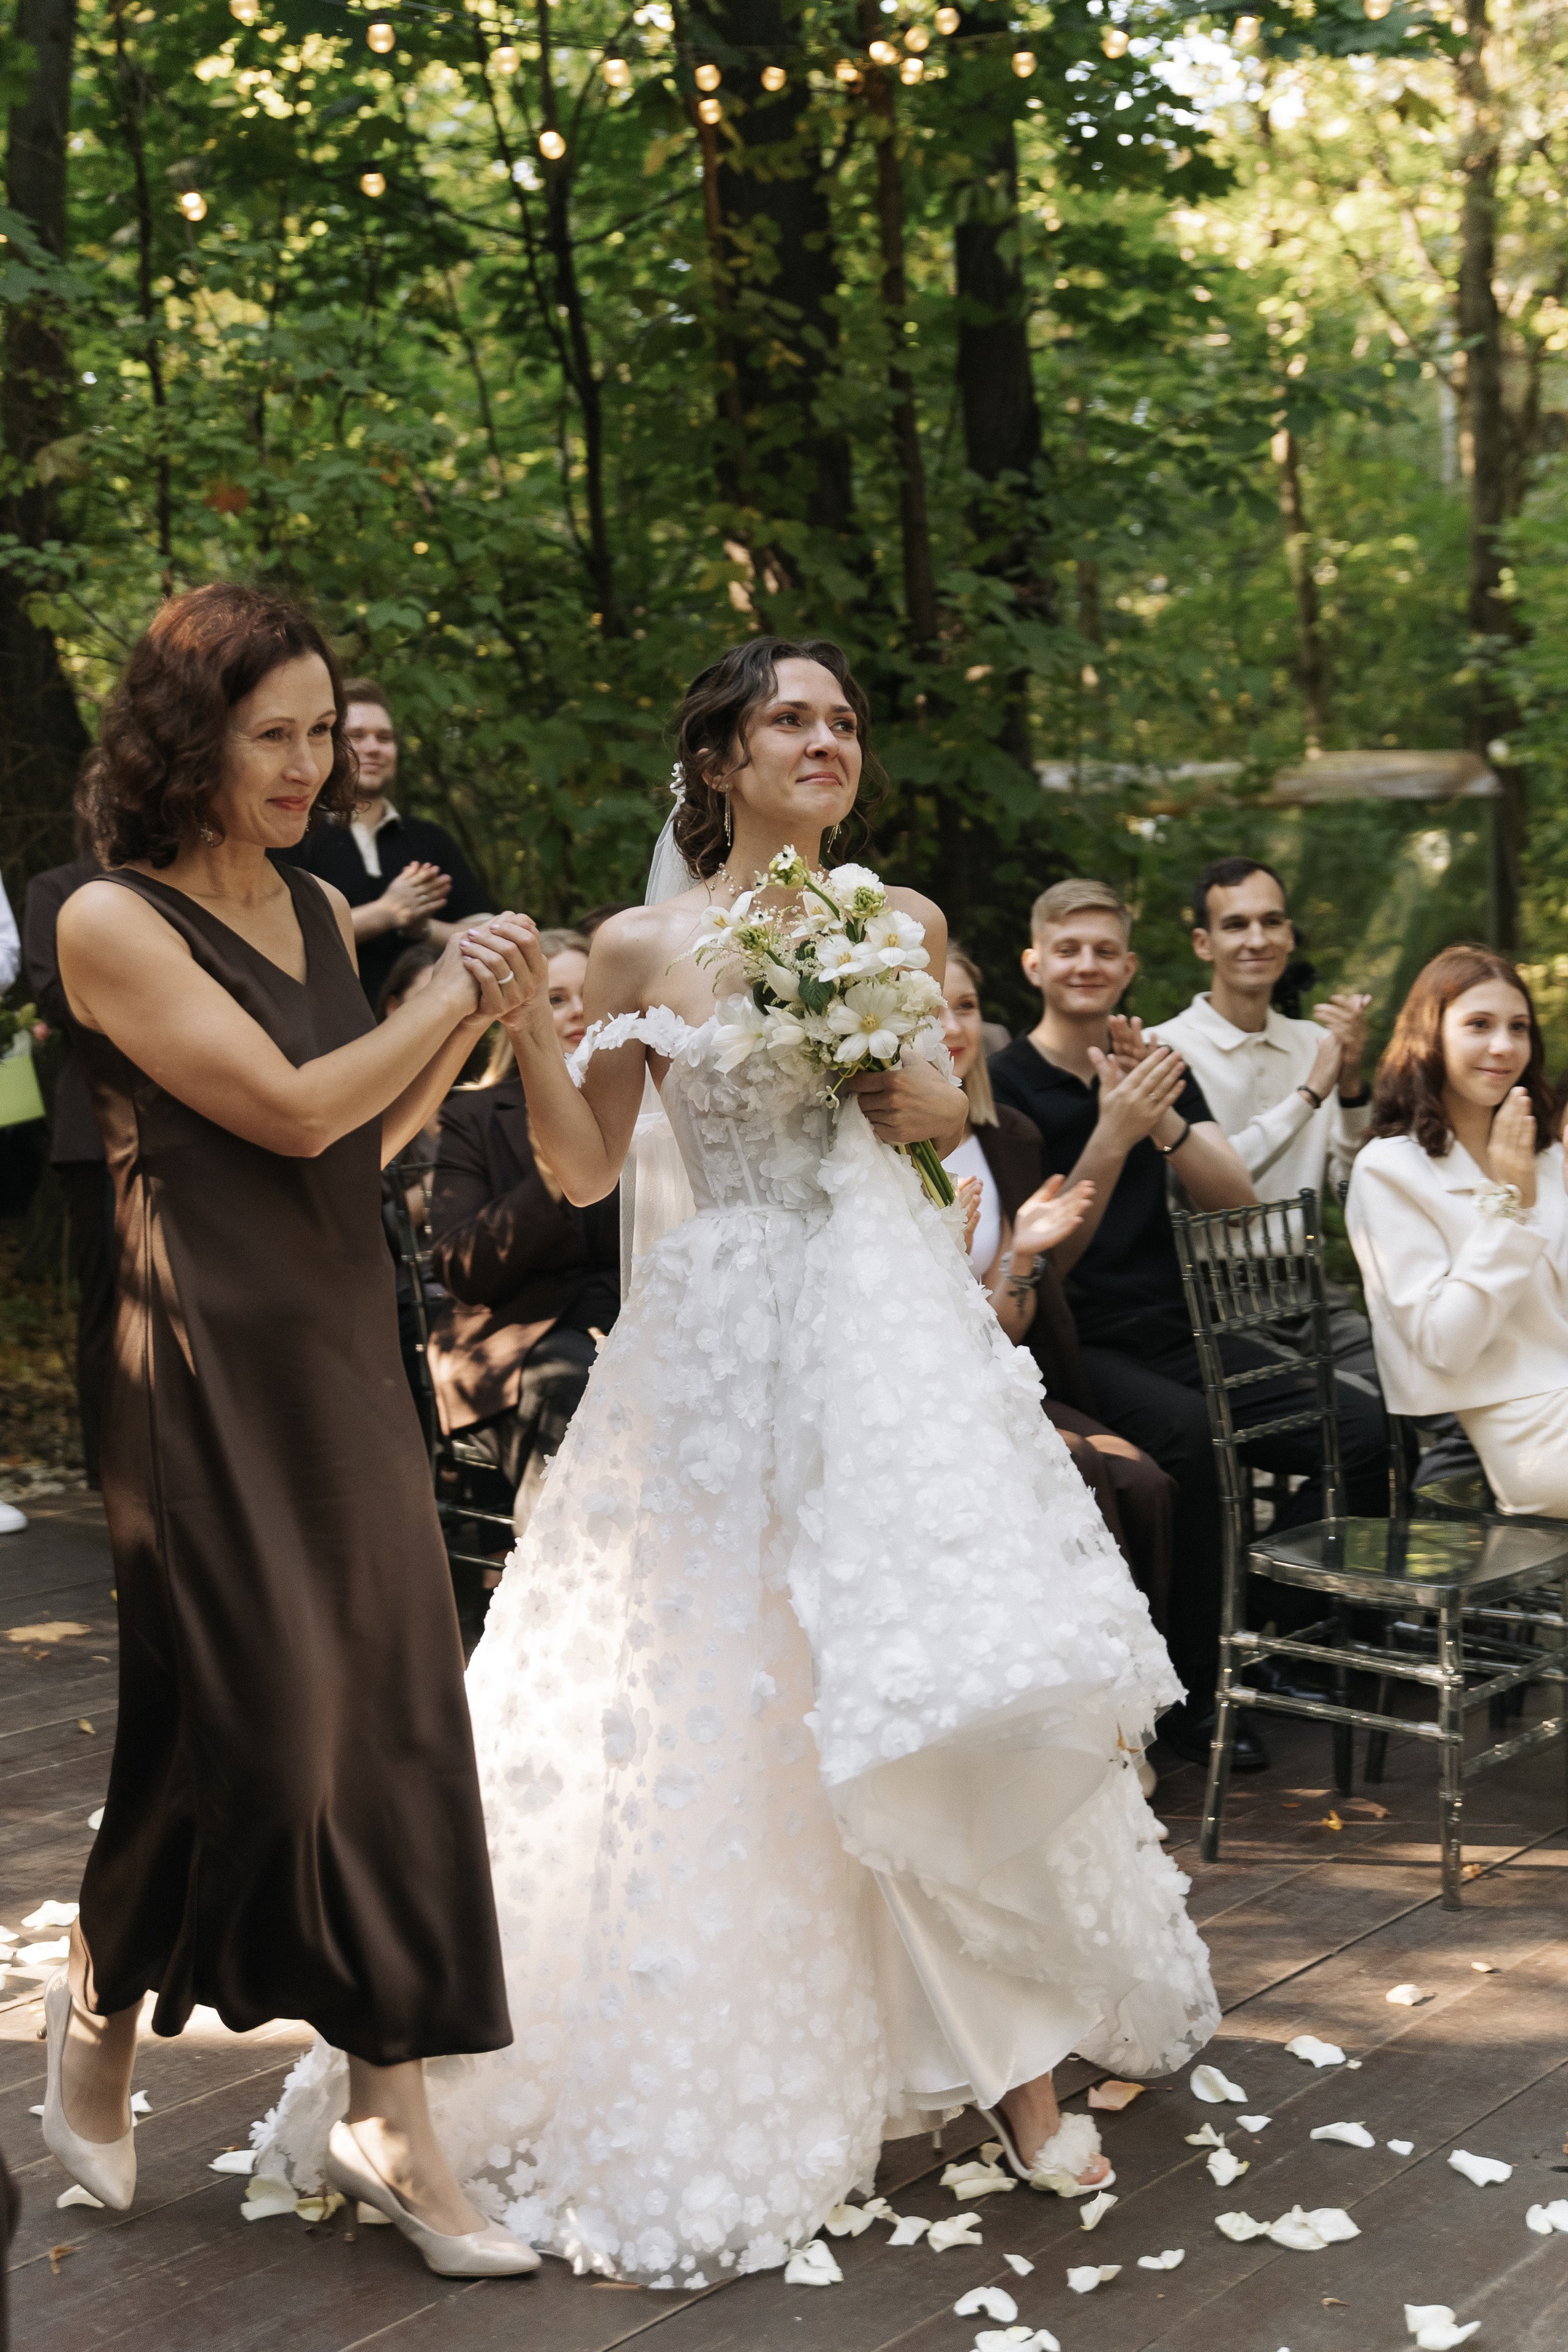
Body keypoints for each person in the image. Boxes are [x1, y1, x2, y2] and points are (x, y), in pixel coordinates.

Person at [256, 636, 1218, 2279]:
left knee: (920, 1661)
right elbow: (578, 1168)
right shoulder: (643, 944)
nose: (825, 740)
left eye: (843, 720)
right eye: (791, 719)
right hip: (719, 1339)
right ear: (719, 760)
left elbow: (943, 1114)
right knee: (742, 1677)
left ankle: (1020, 2072)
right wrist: (536, 1031)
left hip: (885, 1333)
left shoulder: (902, 921)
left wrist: (906, 1083)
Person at [50, 582, 535, 2278]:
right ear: (186, 734)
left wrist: (466, 1016)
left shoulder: (325, 908)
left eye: (325, 732)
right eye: (274, 734)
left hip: (336, 1341)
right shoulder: (109, 920)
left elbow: (367, 1143)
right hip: (191, 1365)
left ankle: (390, 2119)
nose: (309, 765)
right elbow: (283, 1105)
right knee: (253, 1723)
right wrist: (436, 999)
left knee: (389, 1711)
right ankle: (100, 2004)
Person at [989, 878, 1389, 1771]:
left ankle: (1275, 1627)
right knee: (1200, 1445)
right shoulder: (1008, 1086)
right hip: (1077, 1339)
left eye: (1105, 950)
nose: (1087, 964)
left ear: (1129, 967)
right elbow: (1049, 1263)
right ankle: (1198, 1697)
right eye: (1068, 949)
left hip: (1178, 1324)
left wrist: (1157, 1108)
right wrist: (1112, 1131)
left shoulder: (1155, 1062)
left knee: (1363, 1428)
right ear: (1035, 963)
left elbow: (1233, 1199)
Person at [940, 944, 1175, 1627]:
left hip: (998, 1374)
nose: (952, 1028)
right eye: (929, 1011)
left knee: (1148, 1484)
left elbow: (1006, 1328)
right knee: (1089, 1474)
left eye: (966, 1006)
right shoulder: (871, 1144)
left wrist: (1023, 1251)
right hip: (924, 1387)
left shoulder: (1008, 1136)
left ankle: (1158, 1678)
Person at [1348, 946, 1568, 1515]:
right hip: (1516, 1425)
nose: (1504, 1046)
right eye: (1479, 1025)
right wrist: (1510, 1206)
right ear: (1431, 1036)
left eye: (1518, 1028)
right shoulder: (1388, 1169)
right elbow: (1446, 1345)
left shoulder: (1542, 1151)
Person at [1150, 856, 1380, 1387]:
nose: (1257, 940)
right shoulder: (1161, 1048)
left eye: (1271, 922)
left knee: (1402, 1389)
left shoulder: (1313, 1044)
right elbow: (1199, 1188)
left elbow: (1354, 1190)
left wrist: (1349, 1083)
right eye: (1236, 925)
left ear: (1290, 936)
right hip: (1210, 1297)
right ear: (1203, 943)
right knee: (1350, 1408)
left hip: (1311, 1288)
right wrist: (1310, 1094)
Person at [426, 928, 619, 1547]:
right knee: (575, 1382)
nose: (578, 1012)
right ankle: (563, 1575)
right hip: (510, 1341)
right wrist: (555, 1177)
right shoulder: (476, 1116)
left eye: (591, 994)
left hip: (628, 1324)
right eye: (555, 999)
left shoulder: (647, 1106)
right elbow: (462, 1271)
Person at [278, 678, 491, 1009]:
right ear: (326, 746)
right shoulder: (292, 833)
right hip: (318, 1025)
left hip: (427, 1026)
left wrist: (423, 929)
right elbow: (276, 939)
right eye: (356, 736)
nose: (374, 747)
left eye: (385, 737)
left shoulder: (430, 839)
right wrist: (387, 911)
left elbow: (486, 933)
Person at [24, 839, 116, 1488]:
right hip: (96, 1130)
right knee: (112, 1303)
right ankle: (114, 1477)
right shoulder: (58, 888)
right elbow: (56, 996)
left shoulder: (190, 880)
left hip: (199, 1127)